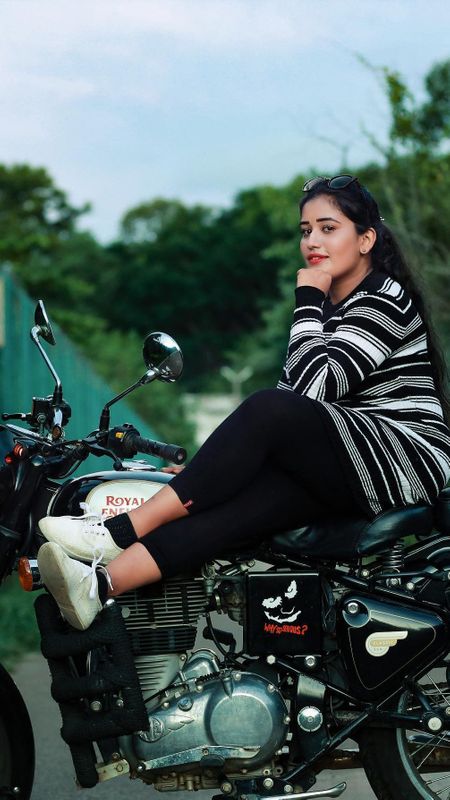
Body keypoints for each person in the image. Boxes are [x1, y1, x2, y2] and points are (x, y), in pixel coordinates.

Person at [37, 174, 450, 631]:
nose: (312, 241)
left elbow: (306, 394)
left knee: (265, 406)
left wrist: (308, 299)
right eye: (306, 230)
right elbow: (294, 407)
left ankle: (119, 531)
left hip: (402, 459)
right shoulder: (330, 310)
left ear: (366, 239)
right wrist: (207, 475)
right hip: (347, 461)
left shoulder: (384, 299)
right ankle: (99, 586)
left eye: (328, 228)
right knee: (228, 512)